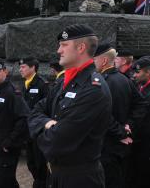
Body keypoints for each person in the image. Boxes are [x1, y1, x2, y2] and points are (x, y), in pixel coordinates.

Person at [28, 24, 112, 188]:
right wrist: (48, 123)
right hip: (56, 175)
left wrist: (42, 126)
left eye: (64, 45)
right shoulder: (63, 82)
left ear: (81, 48)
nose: (59, 50)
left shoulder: (92, 89)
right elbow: (35, 112)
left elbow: (54, 143)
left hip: (80, 179)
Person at [93, 43, 148, 188]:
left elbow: (102, 115)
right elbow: (141, 105)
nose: (92, 63)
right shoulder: (125, 80)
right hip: (121, 144)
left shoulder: (100, 83)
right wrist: (129, 126)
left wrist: (122, 132)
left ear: (104, 61)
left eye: (95, 59)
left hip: (107, 144)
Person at [0, 58, 30, 188]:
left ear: (5, 72)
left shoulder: (11, 93)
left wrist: (9, 142)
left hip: (5, 151)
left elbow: (24, 118)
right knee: (8, 182)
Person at [127, 56, 150, 188]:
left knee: (145, 178)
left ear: (148, 73)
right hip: (139, 142)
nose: (134, 75)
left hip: (146, 143)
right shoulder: (141, 87)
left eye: (138, 72)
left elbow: (148, 124)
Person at [19, 57, 49, 188]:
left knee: (40, 162)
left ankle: (43, 183)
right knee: (30, 162)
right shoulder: (25, 84)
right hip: (27, 131)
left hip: (38, 131)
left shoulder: (42, 84)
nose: (20, 69)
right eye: (20, 67)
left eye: (23, 67)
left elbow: (47, 108)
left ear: (33, 68)